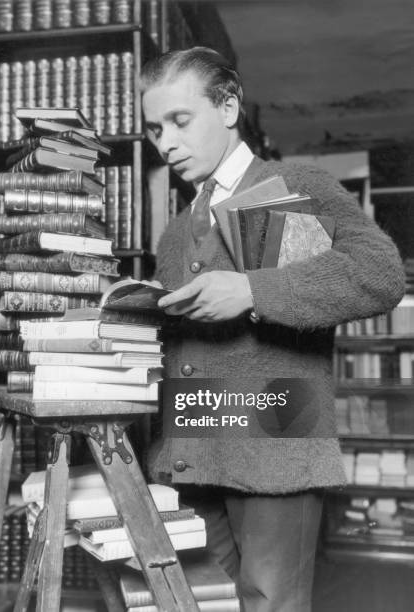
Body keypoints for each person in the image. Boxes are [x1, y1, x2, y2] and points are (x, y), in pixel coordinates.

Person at [140, 47, 405, 612]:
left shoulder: (296, 184)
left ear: (229, 106)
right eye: (154, 128)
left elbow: (381, 275)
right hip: (192, 452)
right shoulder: (173, 233)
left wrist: (254, 291)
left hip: (275, 448)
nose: (165, 142)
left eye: (180, 121)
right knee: (199, 602)